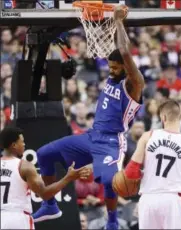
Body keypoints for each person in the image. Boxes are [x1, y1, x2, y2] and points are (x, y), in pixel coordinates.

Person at [32, 6, 144, 230]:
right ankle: (50, 204)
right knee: (43, 154)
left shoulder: (134, 83)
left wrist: (119, 21)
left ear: (125, 68)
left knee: (110, 182)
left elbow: (123, 50)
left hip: (112, 141)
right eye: (110, 67)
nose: (111, 71)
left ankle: (112, 222)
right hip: (91, 135)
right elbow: (117, 52)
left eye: (115, 68)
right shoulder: (114, 74)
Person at [0, 127, 90, 230]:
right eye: (22, 142)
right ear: (14, 145)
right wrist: (68, 178)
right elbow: (45, 194)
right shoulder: (25, 166)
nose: (24, 145)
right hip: (17, 218)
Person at [124, 100, 181, 229]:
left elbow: (130, 172)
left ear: (163, 117)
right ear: (180, 116)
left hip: (149, 198)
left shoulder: (148, 136)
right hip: (173, 199)